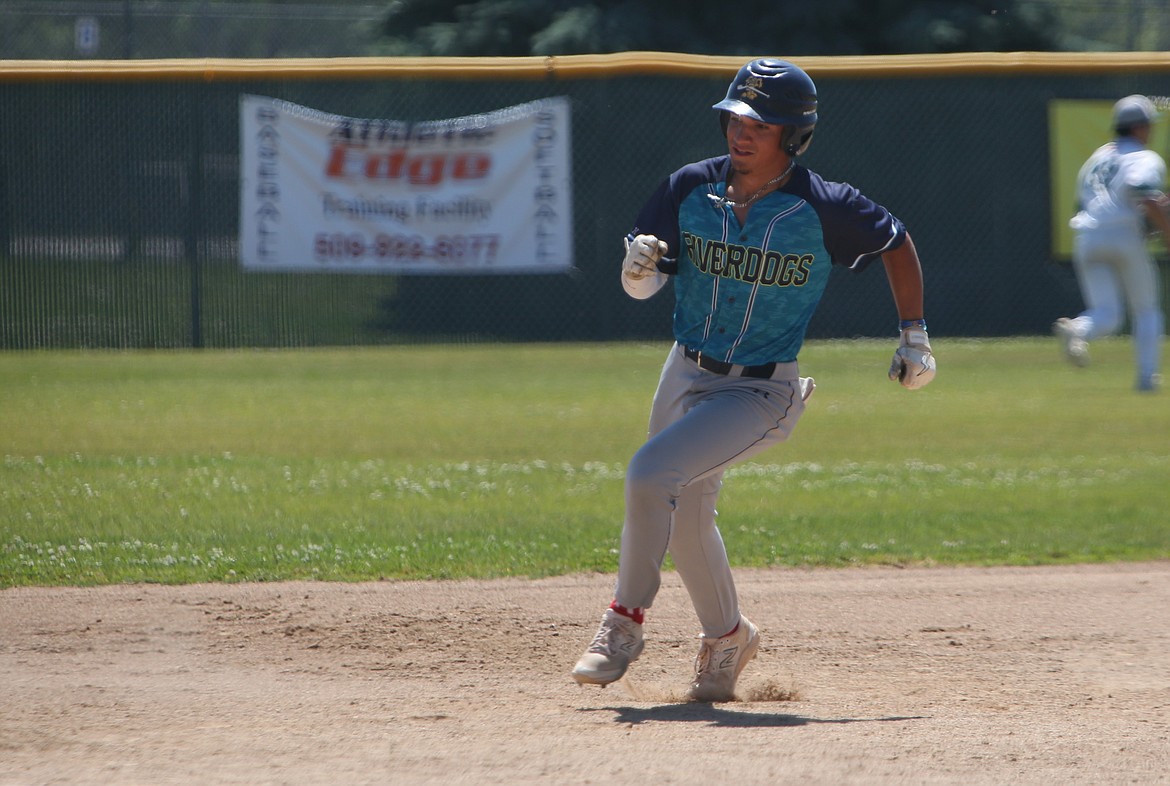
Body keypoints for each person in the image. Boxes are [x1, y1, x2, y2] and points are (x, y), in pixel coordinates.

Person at [570, 58, 936, 702]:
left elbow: (896, 241)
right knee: (683, 517)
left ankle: (623, 623)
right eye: (736, 117)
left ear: (793, 136)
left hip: (759, 390)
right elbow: (649, 275)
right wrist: (637, 272)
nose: (741, 132)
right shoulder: (689, 187)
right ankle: (728, 637)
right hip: (683, 369)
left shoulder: (822, 205)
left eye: (761, 124)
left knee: (651, 474)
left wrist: (914, 335)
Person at [1053, 94, 1170, 392]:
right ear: (1139, 127)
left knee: (1107, 313)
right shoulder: (1143, 157)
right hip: (1124, 233)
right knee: (1147, 309)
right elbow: (1143, 193)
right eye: (1148, 125)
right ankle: (1147, 379)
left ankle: (1077, 329)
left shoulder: (1096, 158)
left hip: (1088, 236)